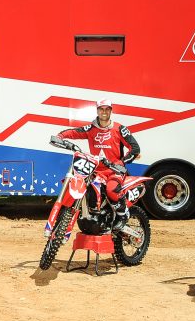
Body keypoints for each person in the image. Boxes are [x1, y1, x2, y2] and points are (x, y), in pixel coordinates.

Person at [56, 98, 140, 228]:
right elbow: (74, 132)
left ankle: (122, 214)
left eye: (107, 109)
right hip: (95, 170)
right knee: (83, 188)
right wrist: (60, 136)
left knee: (112, 190)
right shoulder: (91, 128)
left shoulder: (120, 129)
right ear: (97, 110)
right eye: (101, 109)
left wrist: (121, 163)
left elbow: (135, 149)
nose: (104, 112)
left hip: (114, 170)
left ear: (111, 111)